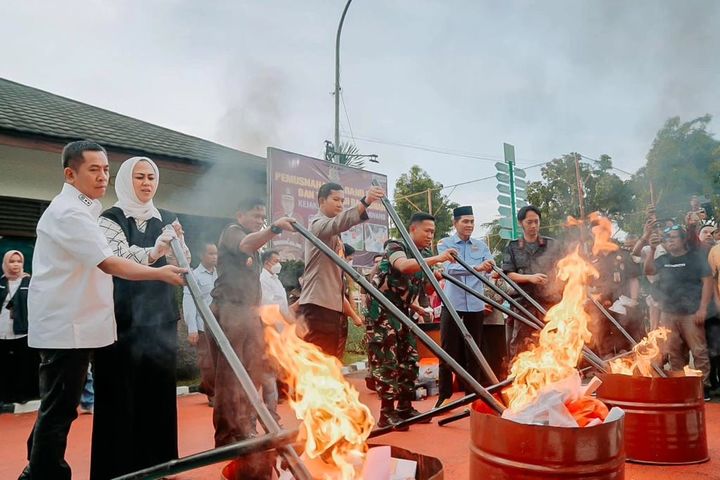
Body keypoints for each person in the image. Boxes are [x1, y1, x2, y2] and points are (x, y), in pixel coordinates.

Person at [19, 141, 185, 480]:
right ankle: (44, 474)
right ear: (70, 173)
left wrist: (160, 253)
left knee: (57, 409)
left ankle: (36, 471)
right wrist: (159, 271)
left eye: (106, 169)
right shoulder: (71, 213)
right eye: (94, 169)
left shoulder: (86, 210)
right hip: (68, 326)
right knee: (58, 412)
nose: (103, 177)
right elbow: (111, 262)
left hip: (79, 324)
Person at [90, 156, 191, 479]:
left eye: (151, 177)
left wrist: (176, 243)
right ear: (125, 181)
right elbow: (115, 257)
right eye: (139, 178)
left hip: (160, 320)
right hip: (122, 322)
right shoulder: (111, 218)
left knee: (158, 398)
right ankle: (118, 470)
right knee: (120, 399)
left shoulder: (166, 218)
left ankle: (159, 467)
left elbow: (183, 260)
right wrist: (156, 250)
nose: (146, 184)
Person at [209, 198, 294, 452]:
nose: (260, 220)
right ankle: (226, 439)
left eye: (263, 217)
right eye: (255, 216)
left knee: (252, 373)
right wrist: (275, 228)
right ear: (240, 215)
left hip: (249, 313)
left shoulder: (255, 243)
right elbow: (246, 244)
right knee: (229, 377)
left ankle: (246, 429)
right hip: (230, 310)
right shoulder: (233, 232)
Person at [368, 213, 456, 428]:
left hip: (403, 312)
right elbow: (404, 266)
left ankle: (405, 407)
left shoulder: (424, 253)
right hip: (383, 312)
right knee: (388, 361)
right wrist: (437, 259)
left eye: (433, 232)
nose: (430, 236)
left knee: (409, 358)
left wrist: (437, 275)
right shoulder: (396, 246)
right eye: (426, 231)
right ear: (413, 229)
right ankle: (386, 413)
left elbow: (423, 286)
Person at [298, 182, 384, 358]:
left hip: (331, 307)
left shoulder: (333, 234)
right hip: (318, 306)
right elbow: (339, 223)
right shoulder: (317, 225)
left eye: (343, 200)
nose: (340, 204)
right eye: (336, 199)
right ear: (321, 200)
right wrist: (365, 201)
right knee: (319, 360)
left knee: (330, 360)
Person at [434, 206, 494, 408]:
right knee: (447, 351)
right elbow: (447, 269)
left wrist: (488, 267)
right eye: (465, 221)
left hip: (476, 305)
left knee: (474, 352)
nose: (469, 225)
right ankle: (444, 396)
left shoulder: (481, 245)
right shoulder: (445, 244)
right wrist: (475, 268)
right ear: (455, 223)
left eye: (472, 221)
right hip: (452, 305)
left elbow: (489, 267)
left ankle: (472, 396)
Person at [645, 225, 713, 400]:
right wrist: (652, 249)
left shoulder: (695, 258)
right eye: (667, 239)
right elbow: (649, 271)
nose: (670, 241)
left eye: (674, 237)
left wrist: (703, 308)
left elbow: (707, 282)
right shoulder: (663, 259)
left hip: (691, 312)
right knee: (674, 352)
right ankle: (680, 386)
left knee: (699, 351)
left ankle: (701, 387)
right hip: (668, 312)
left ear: (683, 240)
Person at [501, 205, 560, 359]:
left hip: (549, 303)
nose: (533, 226)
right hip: (523, 304)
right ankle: (518, 379)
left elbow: (564, 267)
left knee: (552, 343)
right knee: (521, 345)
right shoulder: (512, 247)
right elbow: (508, 274)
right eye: (529, 222)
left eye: (536, 221)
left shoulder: (551, 245)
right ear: (521, 223)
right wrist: (530, 278)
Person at [0, 250, 38, 406]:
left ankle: (22, 395)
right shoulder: (1, 282)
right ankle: (5, 395)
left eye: (19, 261)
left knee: (22, 365)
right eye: (12, 261)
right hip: (2, 330)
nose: (15, 265)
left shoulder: (29, 282)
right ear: (5, 263)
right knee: (4, 365)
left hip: (22, 330)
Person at [182, 243, 218, 405]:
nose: (214, 257)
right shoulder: (194, 276)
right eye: (210, 254)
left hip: (221, 326)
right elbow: (189, 302)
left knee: (220, 361)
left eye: (216, 254)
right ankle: (212, 394)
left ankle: (208, 387)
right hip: (203, 326)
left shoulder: (221, 274)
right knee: (207, 362)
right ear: (201, 256)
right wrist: (192, 329)